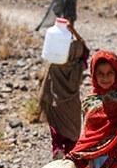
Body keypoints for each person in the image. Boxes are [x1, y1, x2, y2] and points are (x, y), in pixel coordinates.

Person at [36, 23, 89, 160]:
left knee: (56, 131)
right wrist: (74, 32)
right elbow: (85, 51)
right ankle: (70, 160)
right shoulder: (79, 66)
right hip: (72, 106)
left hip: (56, 103)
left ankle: (58, 150)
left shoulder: (55, 66)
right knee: (72, 134)